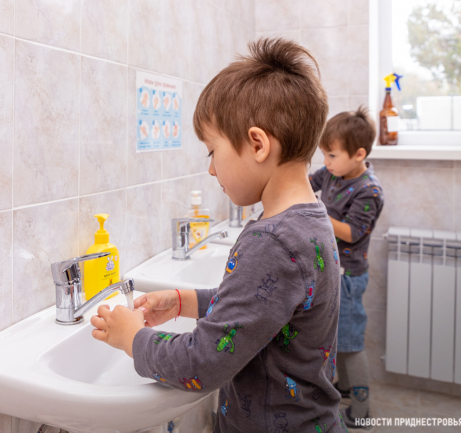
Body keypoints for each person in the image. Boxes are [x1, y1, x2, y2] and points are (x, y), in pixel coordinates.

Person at [90, 38, 346, 432]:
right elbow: (261, 304)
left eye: (212, 151)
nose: (211, 169)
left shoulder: (273, 241)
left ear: (257, 144)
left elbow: (201, 364)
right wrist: (184, 301)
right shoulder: (308, 219)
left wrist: (132, 338)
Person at [309, 107, 384, 429]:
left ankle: (362, 409)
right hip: (333, 271)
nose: (325, 162)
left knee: (351, 344)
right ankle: (346, 387)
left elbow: (353, 233)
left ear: (359, 154)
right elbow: (305, 181)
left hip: (349, 278)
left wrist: (317, 214)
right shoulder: (332, 173)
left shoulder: (369, 190)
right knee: (338, 335)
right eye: (324, 154)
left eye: (332, 155)